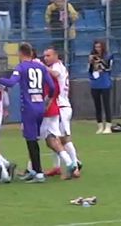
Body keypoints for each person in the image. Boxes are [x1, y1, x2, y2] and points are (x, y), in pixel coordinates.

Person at [0, 43, 56, 182]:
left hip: (28, 108)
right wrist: (47, 99)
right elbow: (52, 86)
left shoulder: (21, 67)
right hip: (40, 106)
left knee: (31, 141)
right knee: (34, 138)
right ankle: (33, 170)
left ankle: (39, 173)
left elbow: (11, 83)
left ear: (21, 53)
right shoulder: (41, 67)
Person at [43, 47, 82, 177]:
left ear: (56, 55)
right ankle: (57, 167)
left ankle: (75, 164)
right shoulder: (59, 66)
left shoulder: (57, 66)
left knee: (64, 138)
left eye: (48, 55)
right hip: (61, 105)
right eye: (44, 56)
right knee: (56, 137)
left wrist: (42, 67)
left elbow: (56, 74)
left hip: (62, 106)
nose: (45, 58)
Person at [88, 40, 115, 133]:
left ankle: (108, 125)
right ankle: (99, 125)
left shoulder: (108, 56)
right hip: (95, 83)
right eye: (96, 47)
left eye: (99, 47)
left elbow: (108, 68)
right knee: (97, 105)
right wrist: (91, 62)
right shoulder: (92, 56)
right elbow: (89, 70)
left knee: (106, 105)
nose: (97, 49)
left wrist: (100, 61)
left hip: (105, 83)